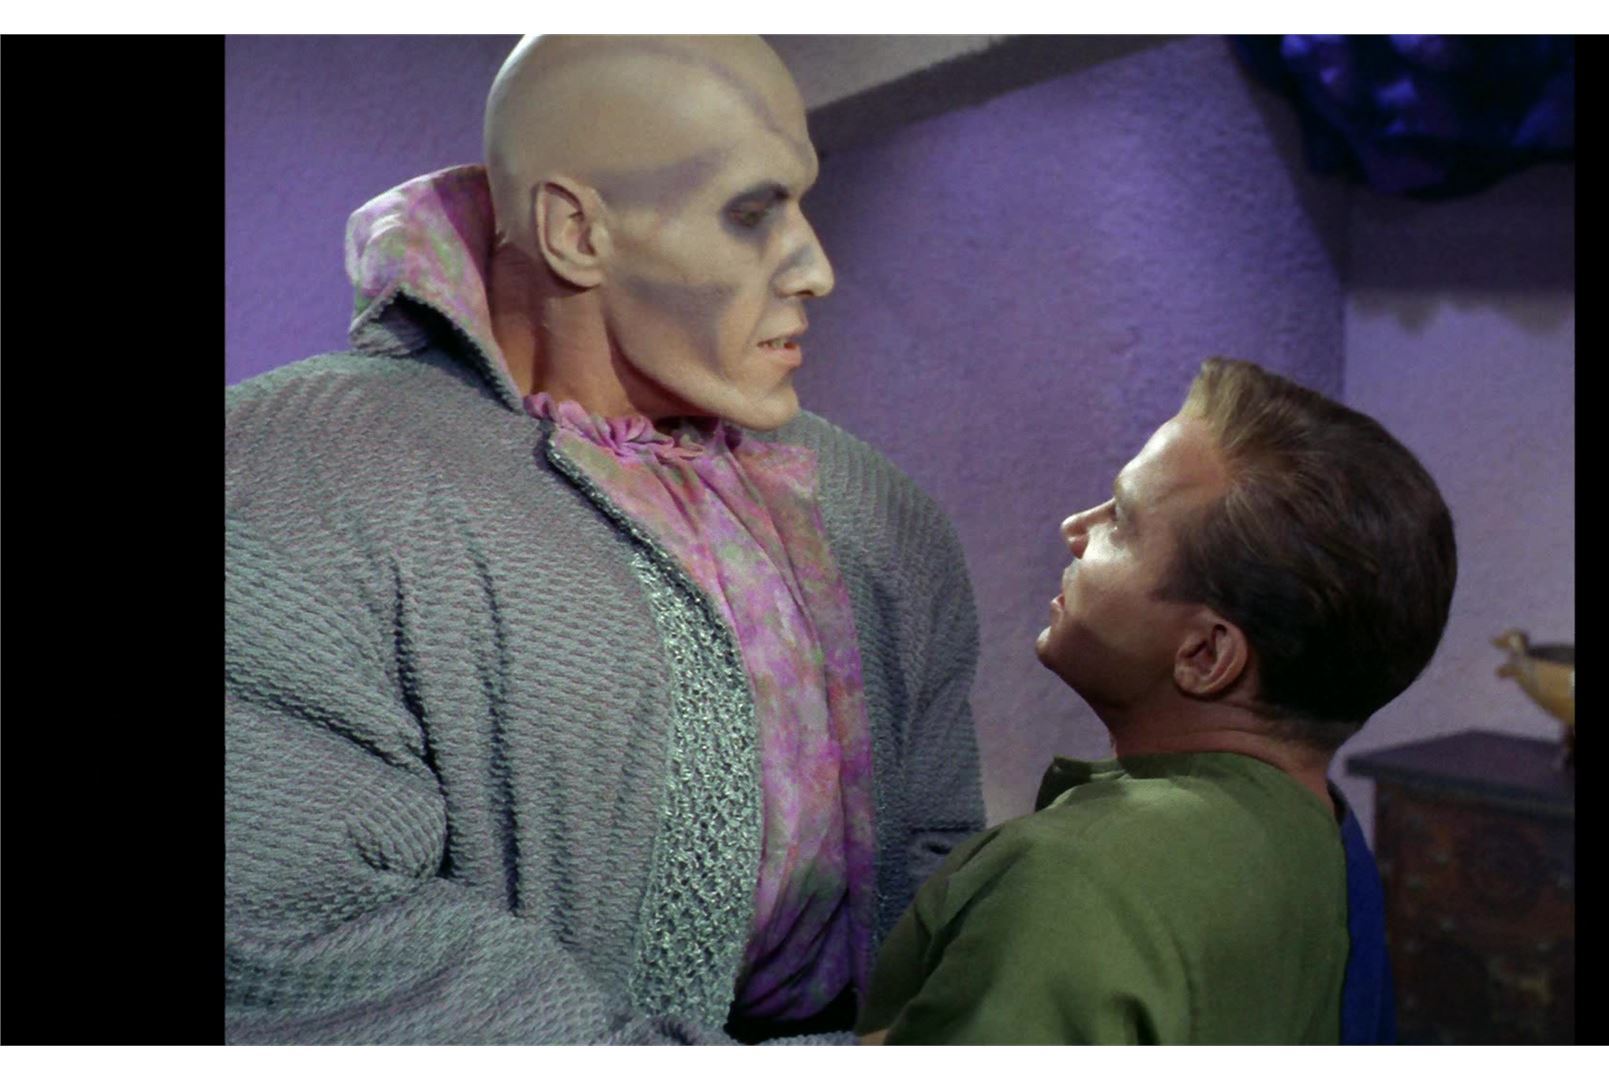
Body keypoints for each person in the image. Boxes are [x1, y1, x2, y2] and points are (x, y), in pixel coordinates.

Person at [225, 35, 985, 1045]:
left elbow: (940, 875)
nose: (817, 268)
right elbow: (295, 928)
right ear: (575, 230)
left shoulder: (871, 513)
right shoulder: (294, 473)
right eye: (751, 212)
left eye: (803, 203)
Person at [855, 357, 1454, 1044]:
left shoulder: (1076, 883)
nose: (1076, 528)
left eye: (1122, 522)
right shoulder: (1329, 844)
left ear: (1205, 656)